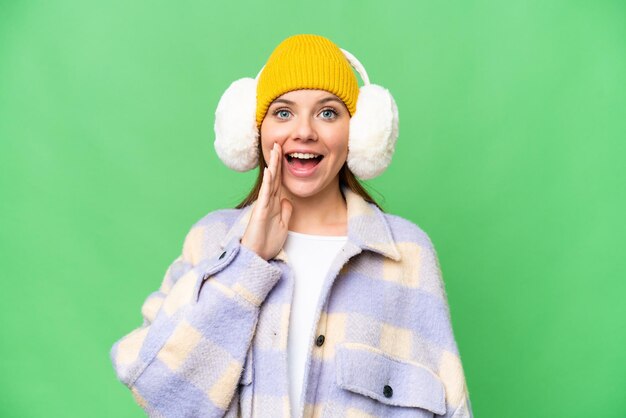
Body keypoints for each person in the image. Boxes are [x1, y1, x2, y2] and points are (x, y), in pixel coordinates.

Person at [110, 34, 473, 418]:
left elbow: (453, 407)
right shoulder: (210, 241)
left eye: (328, 113)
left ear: (359, 132)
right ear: (254, 131)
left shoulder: (407, 255)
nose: (304, 131)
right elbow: (164, 397)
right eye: (283, 113)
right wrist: (246, 263)